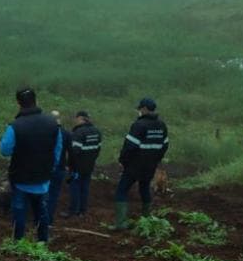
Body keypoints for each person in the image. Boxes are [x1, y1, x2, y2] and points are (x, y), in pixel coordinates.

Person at [0, 87, 63, 242]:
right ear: (36, 100)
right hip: (43, 176)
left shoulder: (15, 126)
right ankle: (42, 240)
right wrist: (51, 167)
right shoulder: (52, 124)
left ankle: (18, 241)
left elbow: (5, 150)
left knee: (19, 209)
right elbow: (58, 148)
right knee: (41, 208)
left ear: (18, 103)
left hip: (20, 177)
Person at [112, 97, 168, 230]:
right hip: (150, 165)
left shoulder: (139, 125)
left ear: (144, 109)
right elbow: (165, 145)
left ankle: (120, 223)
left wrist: (123, 161)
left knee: (121, 190)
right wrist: (156, 160)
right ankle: (146, 221)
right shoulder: (161, 125)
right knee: (144, 188)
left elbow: (129, 147)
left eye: (140, 109)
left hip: (134, 165)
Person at [65, 110, 101, 217]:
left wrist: (69, 165)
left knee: (75, 188)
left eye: (76, 118)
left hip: (77, 167)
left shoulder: (78, 133)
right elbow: (98, 149)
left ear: (80, 118)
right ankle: (82, 211)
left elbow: (74, 152)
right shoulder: (97, 131)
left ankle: (73, 211)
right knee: (85, 187)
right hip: (89, 165)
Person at [46, 110, 72, 225]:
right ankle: (49, 220)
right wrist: (71, 167)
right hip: (60, 168)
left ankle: (40, 217)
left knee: (43, 192)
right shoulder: (66, 133)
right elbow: (71, 152)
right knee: (53, 195)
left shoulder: (44, 132)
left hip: (45, 168)